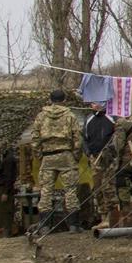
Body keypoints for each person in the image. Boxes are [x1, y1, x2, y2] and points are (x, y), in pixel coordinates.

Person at [27, 89, 82, 228]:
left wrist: (40, 155)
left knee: (46, 190)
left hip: (48, 156)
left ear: (50, 100)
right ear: (64, 100)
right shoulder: (70, 116)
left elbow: (34, 139)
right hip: (66, 155)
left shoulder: (41, 116)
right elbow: (77, 138)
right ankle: (73, 225)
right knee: (70, 190)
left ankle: (44, 225)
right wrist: (76, 155)